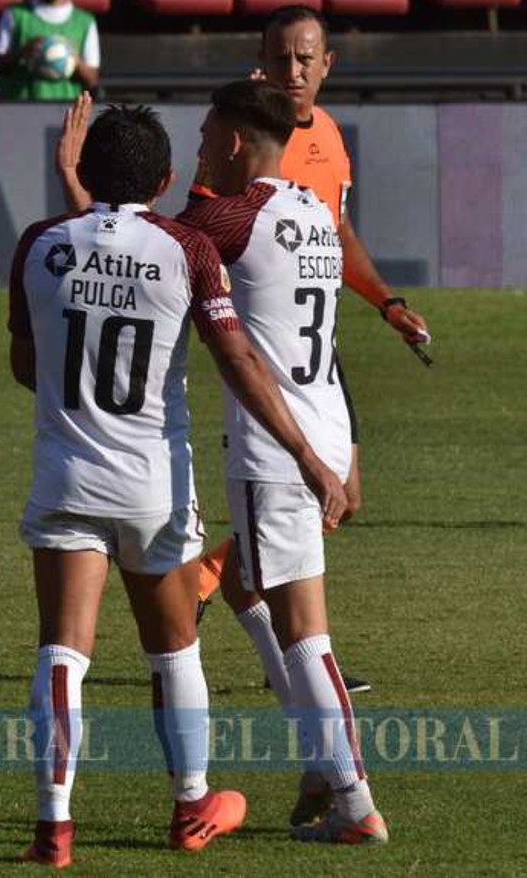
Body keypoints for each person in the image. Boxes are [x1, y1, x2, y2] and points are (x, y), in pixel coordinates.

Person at [9, 103, 348, 867]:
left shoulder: (38, 243)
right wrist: (305, 451)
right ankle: (192, 805)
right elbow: (234, 358)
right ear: (164, 181)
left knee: (62, 652)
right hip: (151, 486)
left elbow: (25, 365)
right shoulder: (186, 247)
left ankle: (52, 829)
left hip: (65, 473)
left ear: (84, 172)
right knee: (173, 651)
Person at [177, 80, 387, 845]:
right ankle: (320, 755)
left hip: (279, 444)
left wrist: (78, 184)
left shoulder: (229, 216)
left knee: (304, 630)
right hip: (324, 418)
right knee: (240, 582)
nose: (199, 152)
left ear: (234, 142)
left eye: (205, 139)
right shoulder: (310, 209)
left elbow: (148, 242)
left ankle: (350, 796)